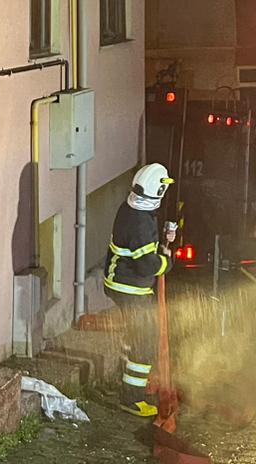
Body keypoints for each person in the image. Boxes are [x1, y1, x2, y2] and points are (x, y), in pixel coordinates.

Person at [103, 162, 174, 417]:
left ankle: (124, 385)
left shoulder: (129, 208)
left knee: (134, 337)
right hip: (130, 288)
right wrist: (166, 261)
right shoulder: (141, 222)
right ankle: (131, 399)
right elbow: (146, 266)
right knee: (144, 341)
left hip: (120, 284)